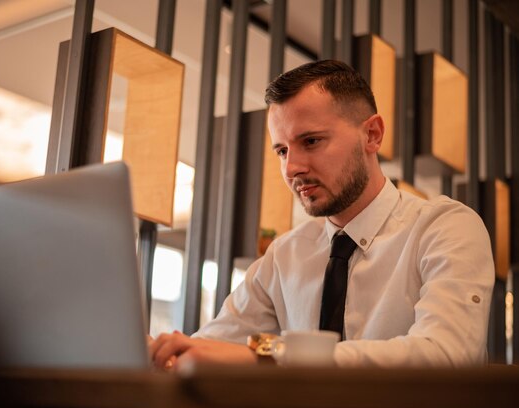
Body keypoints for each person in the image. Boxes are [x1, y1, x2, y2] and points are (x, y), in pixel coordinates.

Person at [150, 60, 494, 369]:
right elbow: (211, 348)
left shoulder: (445, 227)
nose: (293, 168)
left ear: (371, 135)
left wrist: (271, 354)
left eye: (311, 141)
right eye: (282, 150)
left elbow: (445, 357)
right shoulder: (285, 256)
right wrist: (159, 351)